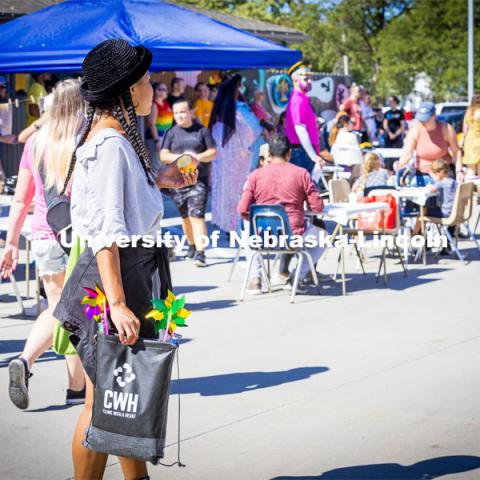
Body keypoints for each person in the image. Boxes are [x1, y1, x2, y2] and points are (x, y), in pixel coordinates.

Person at [52, 39, 197, 479]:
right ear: (130, 90)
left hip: (123, 274)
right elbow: (106, 232)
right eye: (148, 81)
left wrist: (164, 180)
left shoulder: (113, 139)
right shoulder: (111, 144)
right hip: (114, 279)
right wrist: (117, 303)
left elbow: (121, 207)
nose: (154, 88)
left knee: (118, 397)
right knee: (106, 400)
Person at [1, 79, 87, 410]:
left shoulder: (35, 142)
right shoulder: (83, 140)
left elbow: (21, 198)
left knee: (60, 310)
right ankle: (35, 364)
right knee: (73, 312)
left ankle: (71, 384)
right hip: (76, 237)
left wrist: (10, 243)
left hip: (43, 235)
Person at [238, 135, 326, 293]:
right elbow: (318, 207)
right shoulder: (301, 174)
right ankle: (296, 277)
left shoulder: (254, 176)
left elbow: (243, 210)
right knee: (323, 236)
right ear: (289, 154)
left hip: (262, 237)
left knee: (247, 229)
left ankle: (255, 278)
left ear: (269, 155)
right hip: (293, 236)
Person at [160, 99, 217, 266]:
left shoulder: (202, 131)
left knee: (197, 215)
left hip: (199, 181)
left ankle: (201, 252)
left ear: (191, 112)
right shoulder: (171, 133)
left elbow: (213, 152)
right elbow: (164, 155)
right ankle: (191, 246)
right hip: (178, 182)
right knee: (185, 217)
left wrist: (197, 158)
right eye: (176, 113)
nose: (179, 116)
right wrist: (181, 158)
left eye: (183, 112)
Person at [209, 74, 263, 233]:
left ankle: (225, 225)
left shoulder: (218, 108)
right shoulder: (239, 109)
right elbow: (253, 129)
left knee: (224, 190)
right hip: (238, 156)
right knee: (238, 191)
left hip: (221, 157)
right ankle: (237, 226)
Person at [396, 101, 463, 185]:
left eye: (426, 119)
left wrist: (459, 171)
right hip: (423, 175)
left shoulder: (446, 129)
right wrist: (400, 165)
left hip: (444, 174)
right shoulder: (415, 130)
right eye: (421, 119)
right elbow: (407, 153)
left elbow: (456, 151)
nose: (423, 122)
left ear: (434, 116)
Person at [284, 61, 324, 174]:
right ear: (296, 80)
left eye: (310, 78)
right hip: (302, 152)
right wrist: (313, 156)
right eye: (306, 79)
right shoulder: (298, 100)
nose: (310, 81)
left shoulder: (302, 98)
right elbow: (300, 129)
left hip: (305, 151)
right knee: (306, 189)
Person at [412, 159, 457, 254]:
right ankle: (423, 239)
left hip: (445, 213)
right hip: (455, 213)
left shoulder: (441, 182)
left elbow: (429, 190)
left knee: (422, 213)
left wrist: (431, 182)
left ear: (439, 173)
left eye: (433, 174)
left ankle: (415, 234)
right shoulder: (454, 182)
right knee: (426, 210)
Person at [145, 82, 173, 169]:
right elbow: (152, 124)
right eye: (164, 89)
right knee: (156, 165)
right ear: (157, 91)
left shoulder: (165, 103)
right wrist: (157, 140)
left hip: (164, 138)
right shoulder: (154, 105)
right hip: (156, 139)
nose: (166, 92)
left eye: (166, 89)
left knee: (164, 165)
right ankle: (154, 182)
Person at [461, 92, 480, 179]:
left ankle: (467, 191)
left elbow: (464, 130)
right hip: (478, 140)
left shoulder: (468, 112)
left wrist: (463, 142)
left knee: (470, 171)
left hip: (469, 142)